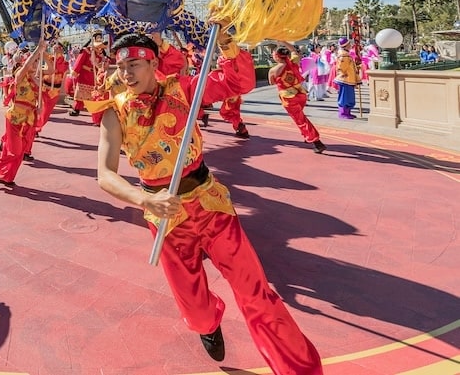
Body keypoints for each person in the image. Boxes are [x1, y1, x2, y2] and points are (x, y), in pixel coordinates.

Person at [96, 31, 322, 374]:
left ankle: (299, 370)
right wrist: (145, 199)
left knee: (256, 293)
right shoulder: (114, 113)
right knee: (196, 309)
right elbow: (105, 175)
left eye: (135, 64)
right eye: (122, 65)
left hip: (210, 203)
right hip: (166, 217)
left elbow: (239, 81)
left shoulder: (184, 89)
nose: (126, 73)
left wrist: (229, 43)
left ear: (153, 63)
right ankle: (207, 322)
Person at [0, 39, 46, 187]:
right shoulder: (19, 75)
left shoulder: (34, 81)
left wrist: (39, 107)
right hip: (15, 118)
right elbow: (25, 67)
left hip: (28, 120)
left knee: (18, 153)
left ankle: (6, 176)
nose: (35, 64)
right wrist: (38, 50)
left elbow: (41, 95)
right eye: (32, 62)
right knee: (15, 151)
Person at [269, 44, 326, 153]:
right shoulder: (293, 62)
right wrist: (283, 41)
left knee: (301, 120)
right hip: (301, 94)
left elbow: (272, 82)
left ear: (276, 56)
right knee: (300, 117)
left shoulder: (273, 70)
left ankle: (316, 142)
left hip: (289, 98)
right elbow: (294, 50)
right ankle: (307, 135)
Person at [68, 31, 110, 123]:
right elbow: (79, 61)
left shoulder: (100, 54)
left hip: (94, 77)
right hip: (84, 75)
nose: (99, 49)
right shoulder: (86, 51)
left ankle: (94, 112)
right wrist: (75, 71)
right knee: (80, 95)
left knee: (94, 95)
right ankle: (76, 109)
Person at [34, 41, 69, 137]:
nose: (55, 49)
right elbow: (43, 67)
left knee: (46, 112)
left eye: (57, 48)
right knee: (37, 108)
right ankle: (32, 127)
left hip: (53, 91)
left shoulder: (65, 63)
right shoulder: (49, 58)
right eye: (54, 48)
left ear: (62, 49)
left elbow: (56, 70)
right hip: (43, 87)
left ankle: (37, 127)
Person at [334, 37, 361, 119]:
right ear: (345, 45)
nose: (351, 45)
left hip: (349, 79)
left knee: (349, 97)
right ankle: (343, 113)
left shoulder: (346, 54)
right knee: (345, 97)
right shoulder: (344, 55)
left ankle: (347, 112)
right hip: (345, 79)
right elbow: (341, 67)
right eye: (349, 44)